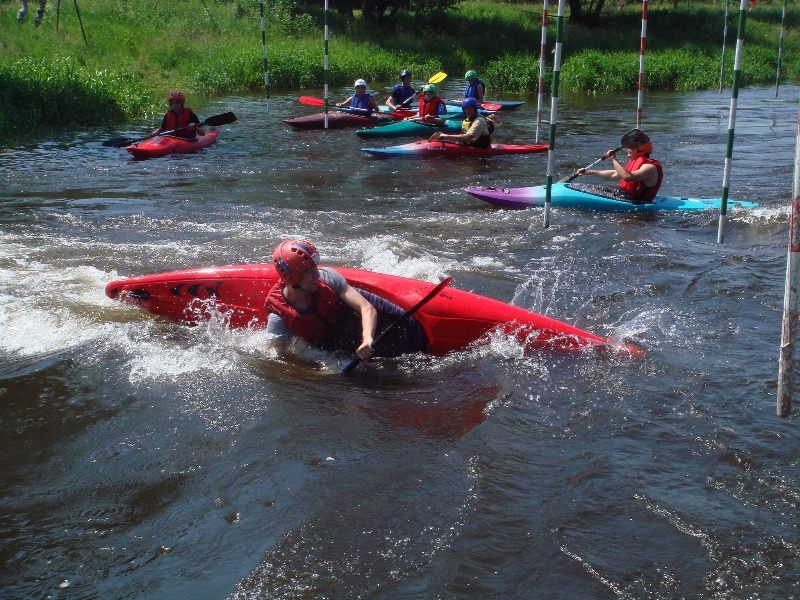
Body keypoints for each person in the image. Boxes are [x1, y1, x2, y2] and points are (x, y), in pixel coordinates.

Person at [266, 240, 428, 361]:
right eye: (309, 272)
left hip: (351, 325)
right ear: (293, 278)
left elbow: (366, 308)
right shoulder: (278, 317)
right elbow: (279, 357)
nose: (317, 275)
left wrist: (367, 339)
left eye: (315, 268)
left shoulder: (328, 277)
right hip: (329, 346)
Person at [576, 130, 663, 203]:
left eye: (630, 152)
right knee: (583, 187)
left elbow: (627, 177)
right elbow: (614, 174)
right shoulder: (638, 163)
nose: (628, 155)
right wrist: (590, 172)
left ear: (639, 150)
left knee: (586, 192)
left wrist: (614, 159)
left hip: (636, 201)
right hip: (624, 195)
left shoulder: (649, 167)